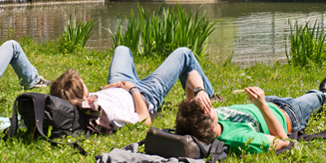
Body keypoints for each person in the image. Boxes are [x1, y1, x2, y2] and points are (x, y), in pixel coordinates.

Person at [51, 46, 216, 128]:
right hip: (145, 93)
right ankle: (207, 95)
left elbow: (101, 95)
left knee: (122, 49)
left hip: (119, 83)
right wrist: (132, 89)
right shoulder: (106, 112)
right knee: (184, 53)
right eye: (81, 82)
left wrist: (110, 86)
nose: (82, 79)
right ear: (82, 94)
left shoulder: (84, 102)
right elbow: (145, 120)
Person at [174, 77, 326, 154]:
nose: (210, 104)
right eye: (207, 108)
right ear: (211, 126)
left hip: (265, 102)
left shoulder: (201, 122)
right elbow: (284, 141)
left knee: (308, 97)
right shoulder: (239, 138)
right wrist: (262, 106)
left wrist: (199, 92)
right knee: (317, 96)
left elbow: (191, 75)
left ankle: (323, 98)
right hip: (289, 114)